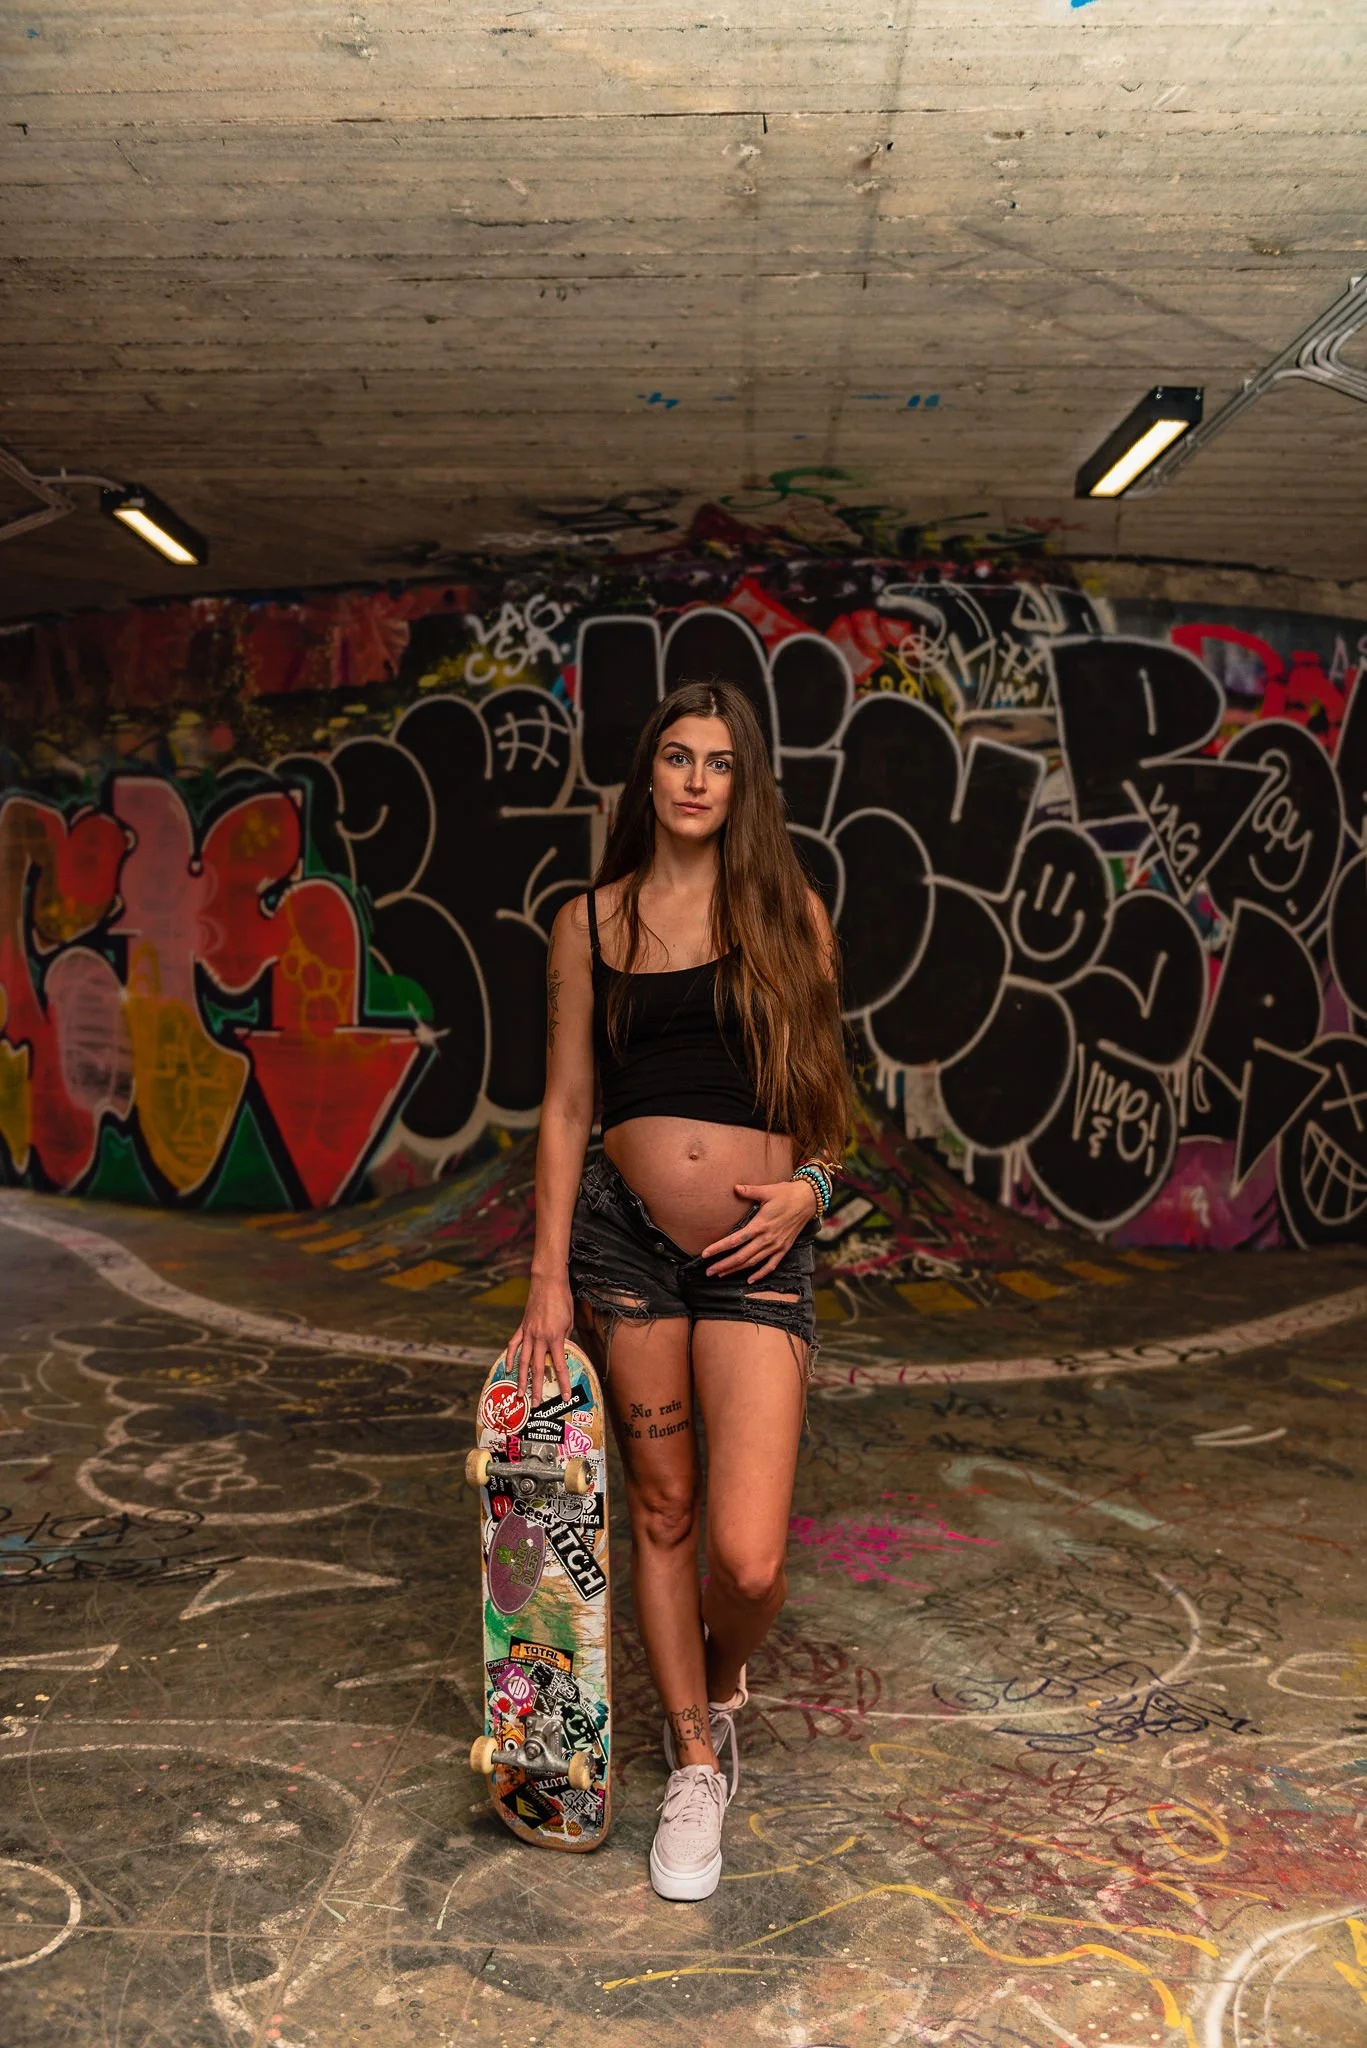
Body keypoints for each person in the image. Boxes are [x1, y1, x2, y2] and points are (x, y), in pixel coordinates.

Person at [506, 678, 849, 1902]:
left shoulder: (788, 914)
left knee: (745, 1561)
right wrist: (547, 1278)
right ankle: (695, 1757)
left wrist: (809, 1189)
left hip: (758, 1252)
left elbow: (829, 1107)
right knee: (659, 1511)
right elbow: (564, 1109)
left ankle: (711, 1671)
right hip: (624, 1251)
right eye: (675, 756)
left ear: (742, 782)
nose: (696, 778)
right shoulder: (588, 922)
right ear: (646, 775)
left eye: (718, 760)